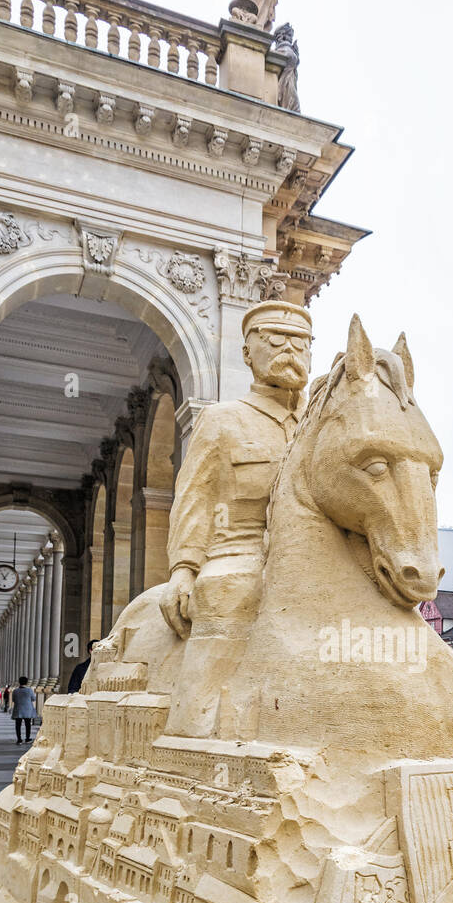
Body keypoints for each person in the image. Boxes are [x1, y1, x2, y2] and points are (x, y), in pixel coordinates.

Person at [159, 299, 313, 738]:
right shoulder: (223, 420)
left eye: (302, 344)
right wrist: (184, 569)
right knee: (228, 599)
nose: (291, 351)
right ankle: (190, 730)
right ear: (248, 353)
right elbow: (194, 499)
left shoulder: (318, 422)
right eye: (277, 341)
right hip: (239, 554)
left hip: (314, 559)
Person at [11, 676, 37, 745]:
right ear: (26, 682)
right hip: (27, 710)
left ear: (19, 682)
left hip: (18, 709)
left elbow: (13, 700)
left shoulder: (15, 691)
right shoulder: (29, 690)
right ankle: (27, 738)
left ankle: (19, 739)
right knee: (28, 725)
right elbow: (33, 699)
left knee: (18, 725)